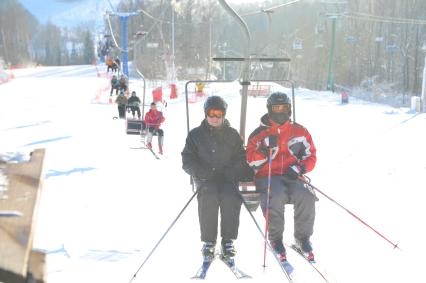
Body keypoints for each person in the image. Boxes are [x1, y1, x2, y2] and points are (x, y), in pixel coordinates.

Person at [246, 92, 317, 263]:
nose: (280, 111)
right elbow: (250, 159)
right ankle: (276, 239)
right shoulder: (259, 133)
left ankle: (302, 238)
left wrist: (300, 168)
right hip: (268, 176)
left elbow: (311, 155)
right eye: (276, 108)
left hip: (292, 174)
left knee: (306, 196)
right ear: (269, 110)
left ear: (289, 109)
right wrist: (264, 150)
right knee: (275, 195)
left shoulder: (299, 131)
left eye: (283, 108)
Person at [181, 96, 254, 264]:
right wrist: (202, 172)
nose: (214, 118)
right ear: (206, 114)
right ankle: (209, 241)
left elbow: (240, 158)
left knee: (230, 197)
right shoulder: (195, 135)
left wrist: (232, 172)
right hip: (206, 179)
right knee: (209, 197)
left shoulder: (232, 134)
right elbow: (187, 160)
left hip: (228, 179)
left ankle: (228, 240)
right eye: (211, 114)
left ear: (224, 115)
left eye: (218, 114)